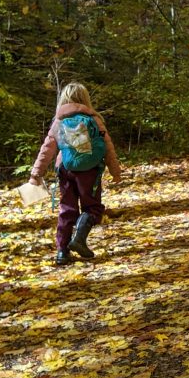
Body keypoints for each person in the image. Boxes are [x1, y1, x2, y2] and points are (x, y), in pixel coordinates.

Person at [28, 82, 122, 266]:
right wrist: (115, 171)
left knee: (67, 209)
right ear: (85, 99)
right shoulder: (93, 119)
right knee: (92, 208)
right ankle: (79, 239)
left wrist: (36, 173)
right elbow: (108, 146)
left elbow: (47, 149)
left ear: (64, 99)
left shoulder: (59, 120)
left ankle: (62, 252)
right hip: (90, 170)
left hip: (65, 169)